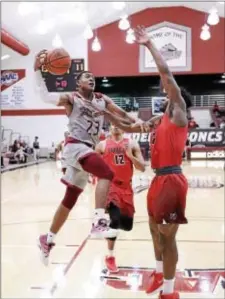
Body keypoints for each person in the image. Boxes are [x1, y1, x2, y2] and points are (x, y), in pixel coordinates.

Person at [102, 26, 192, 299]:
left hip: (171, 179)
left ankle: (169, 291)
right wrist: (104, 110)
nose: (164, 91)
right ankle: (156, 272)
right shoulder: (160, 120)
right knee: (154, 230)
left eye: (168, 91)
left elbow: (166, 74)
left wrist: (149, 44)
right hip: (157, 180)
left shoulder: (178, 113)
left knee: (168, 236)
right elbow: (129, 128)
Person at [34, 51, 138, 266]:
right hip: (75, 146)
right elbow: (45, 97)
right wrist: (37, 70)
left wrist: (137, 122)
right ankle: (99, 219)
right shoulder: (72, 98)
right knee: (107, 172)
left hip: (87, 148)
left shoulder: (101, 100)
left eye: (93, 77)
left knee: (70, 199)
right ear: (78, 82)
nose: (91, 78)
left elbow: (121, 114)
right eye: (86, 76)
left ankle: (48, 239)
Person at [96, 124, 145, 272]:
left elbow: (142, 167)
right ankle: (110, 256)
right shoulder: (102, 145)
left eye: (118, 125)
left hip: (126, 188)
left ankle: (103, 227)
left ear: (124, 129)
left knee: (127, 226)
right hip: (110, 186)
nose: (115, 127)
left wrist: (130, 156)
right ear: (109, 129)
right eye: (112, 125)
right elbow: (92, 166)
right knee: (115, 220)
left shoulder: (131, 144)